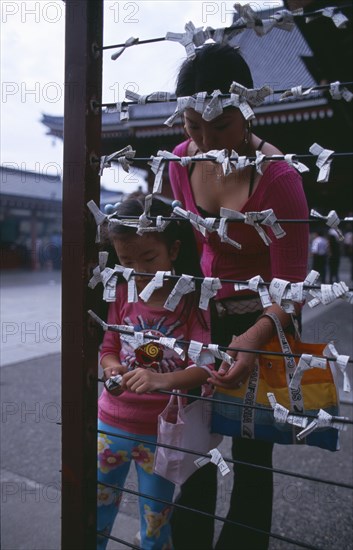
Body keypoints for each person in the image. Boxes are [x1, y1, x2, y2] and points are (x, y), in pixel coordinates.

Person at [168, 44, 309, 550]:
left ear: (247, 111)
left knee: (252, 457)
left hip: (266, 322)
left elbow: (291, 293)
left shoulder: (281, 181)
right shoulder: (179, 164)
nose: (205, 142)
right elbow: (188, 256)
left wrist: (252, 340)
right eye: (191, 126)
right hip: (206, 319)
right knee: (193, 444)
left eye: (221, 127)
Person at [96, 195, 214, 550]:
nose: (140, 269)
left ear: (173, 250)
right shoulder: (121, 292)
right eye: (127, 261)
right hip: (110, 423)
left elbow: (206, 366)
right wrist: (113, 368)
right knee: (97, 512)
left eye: (149, 258)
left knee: (155, 521)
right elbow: (108, 348)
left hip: (161, 433)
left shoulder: (193, 300)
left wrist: (161, 380)